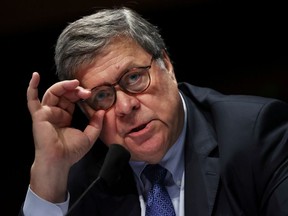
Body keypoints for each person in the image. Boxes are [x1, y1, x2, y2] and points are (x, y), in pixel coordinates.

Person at [19, 6, 288, 216]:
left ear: (167, 65)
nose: (125, 106)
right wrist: (50, 170)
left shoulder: (255, 136)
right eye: (102, 95)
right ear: (86, 111)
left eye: (134, 78)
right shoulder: (81, 179)